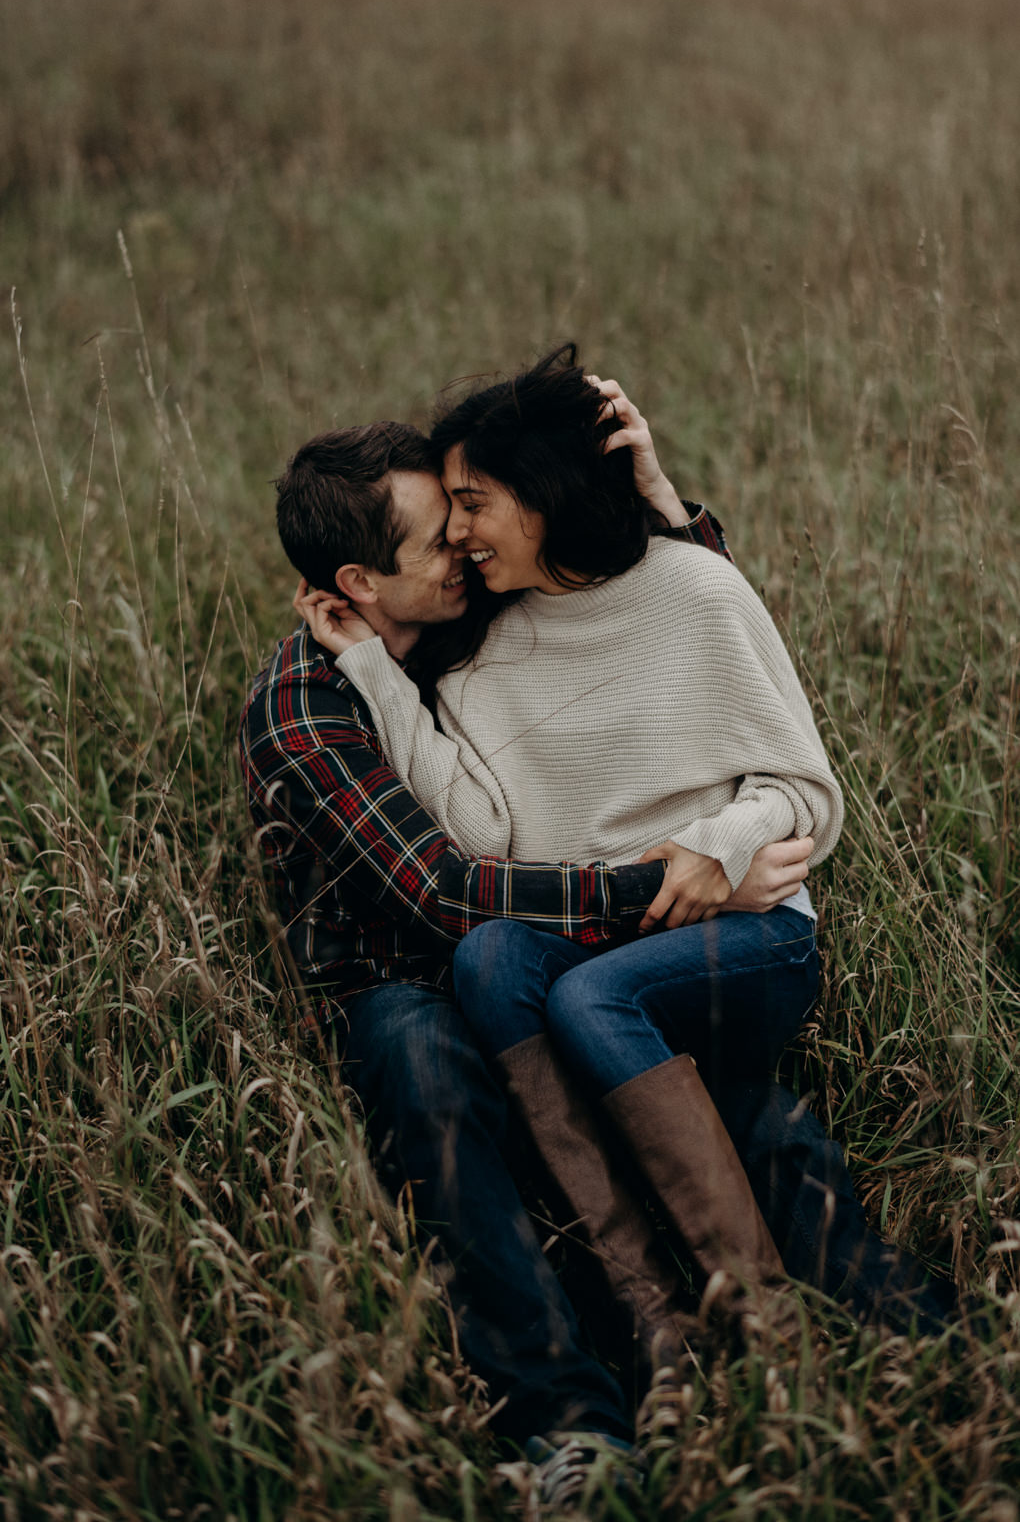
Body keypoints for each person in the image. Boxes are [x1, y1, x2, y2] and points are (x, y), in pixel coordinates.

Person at [292, 350, 957, 1342]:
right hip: (612, 930)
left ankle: (763, 1319)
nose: (463, 535)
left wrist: (719, 851)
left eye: (474, 503)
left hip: (748, 937)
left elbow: (803, 791)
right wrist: (373, 673)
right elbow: (482, 838)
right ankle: (658, 1318)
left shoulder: (695, 591)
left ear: (545, 493)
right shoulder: (479, 654)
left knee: (589, 996)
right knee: (491, 956)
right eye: (449, 517)